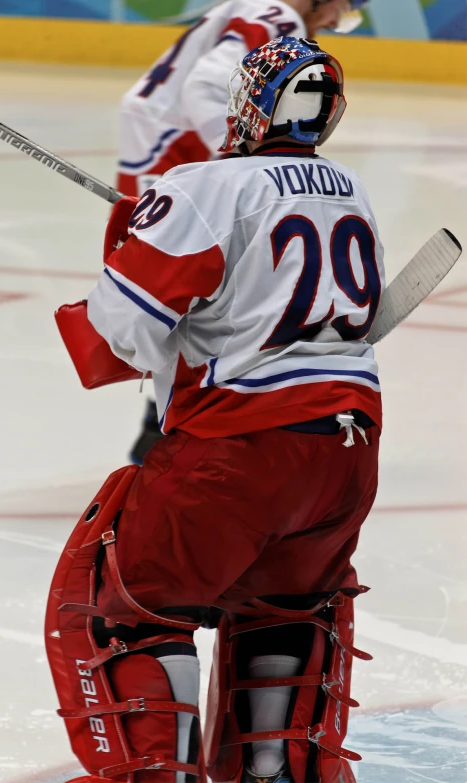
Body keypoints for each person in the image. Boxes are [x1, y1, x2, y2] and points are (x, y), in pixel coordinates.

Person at [59, 36, 383, 783]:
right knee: (289, 605)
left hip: (235, 453)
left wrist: (132, 243)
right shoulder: (351, 189)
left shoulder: (200, 187)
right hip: (346, 460)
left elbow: (117, 339)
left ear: (249, 104)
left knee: (129, 606)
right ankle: (279, 770)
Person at [116, 0, 370, 465]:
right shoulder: (280, 19)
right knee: (177, 295)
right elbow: (206, 83)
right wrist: (246, 170)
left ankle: (168, 421)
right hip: (174, 153)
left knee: (196, 293)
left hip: (161, 147)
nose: (335, 23)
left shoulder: (257, 7)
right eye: (344, 10)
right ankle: (165, 427)